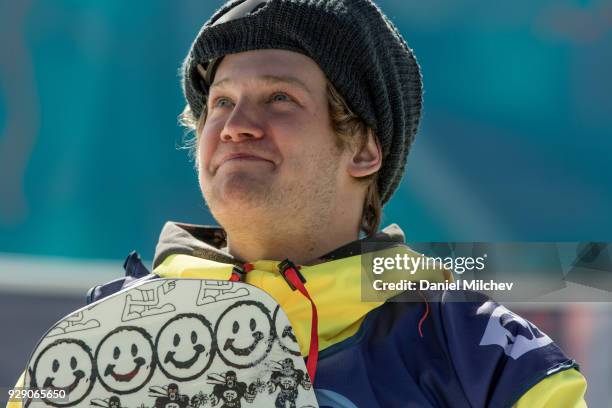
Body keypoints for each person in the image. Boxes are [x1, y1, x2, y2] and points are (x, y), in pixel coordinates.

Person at [8, 0, 588, 407]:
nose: (235, 126)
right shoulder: (96, 341)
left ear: (363, 149)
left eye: (280, 99)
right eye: (220, 104)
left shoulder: (489, 361)